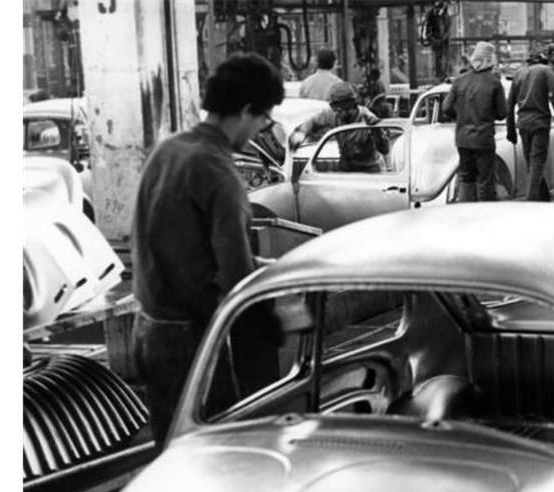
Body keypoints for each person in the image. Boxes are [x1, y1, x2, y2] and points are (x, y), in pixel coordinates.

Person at [130, 53, 285, 446]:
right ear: (248, 110)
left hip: (148, 329)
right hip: (188, 340)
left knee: (170, 452)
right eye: (263, 120)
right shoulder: (217, 170)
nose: (260, 131)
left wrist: (258, 264)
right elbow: (234, 274)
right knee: (213, 454)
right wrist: (271, 321)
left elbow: (170, 241)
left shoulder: (168, 151)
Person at [441, 41, 506, 202]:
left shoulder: (459, 81)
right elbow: (501, 113)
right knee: (485, 180)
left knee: (466, 178)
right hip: (483, 139)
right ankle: (483, 216)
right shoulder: (494, 83)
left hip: (462, 139)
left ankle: (466, 214)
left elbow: (446, 107)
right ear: (490, 61)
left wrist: (460, 116)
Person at [506, 46, 554, 201]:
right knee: (537, 164)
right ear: (544, 59)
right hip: (540, 123)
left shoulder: (519, 73)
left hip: (523, 124)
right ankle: (532, 201)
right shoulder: (546, 70)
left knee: (531, 164)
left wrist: (511, 130)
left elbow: (510, 105)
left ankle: (544, 197)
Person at [289, 81, 389, 172]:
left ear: (350, 107)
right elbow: (312, 122)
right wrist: (301, 133)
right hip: (346, 167)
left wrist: (376, 131)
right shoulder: (332, 113)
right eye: (335, 109)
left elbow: (385, 149)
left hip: (370, 169)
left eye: (340, 110)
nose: (336, 113)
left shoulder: (368, 119)